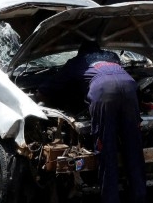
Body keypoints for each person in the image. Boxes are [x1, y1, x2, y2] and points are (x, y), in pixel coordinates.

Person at [41, 44, 147, 203]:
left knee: (107, 150)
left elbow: (53, 84)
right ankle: (139, 197)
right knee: (134, 147)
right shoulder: (112, 56)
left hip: (103, 91)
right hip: (129, 87)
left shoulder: (78, 61)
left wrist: (39, 93)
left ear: (81, 52)